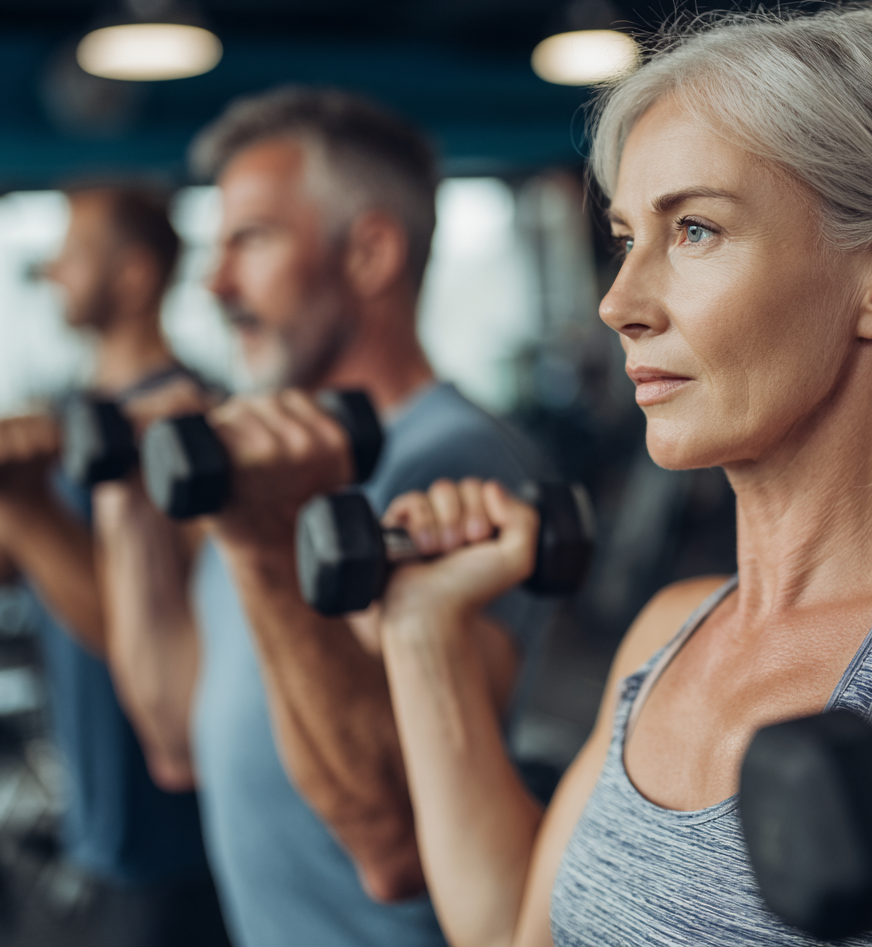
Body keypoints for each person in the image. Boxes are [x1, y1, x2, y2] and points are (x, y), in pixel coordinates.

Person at [369, 2, 872, 947]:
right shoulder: (667, 632)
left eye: (697, 231)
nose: (618, 302)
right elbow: (515, 932)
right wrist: (423, 632)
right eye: (628, 237)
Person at [95, 87, 552, 947]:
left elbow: (395, 840)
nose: (216, 282)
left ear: (370, 253)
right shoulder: (268, 468)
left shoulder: (451, 463)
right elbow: (176, 741)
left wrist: (264, 542)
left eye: (252, 239)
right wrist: (128, 497)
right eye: (217, 246)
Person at [0, 186, 230, 945]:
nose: (52, 272)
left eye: (73, 255)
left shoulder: (191, 426)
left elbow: (144, 631)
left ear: (133, 275)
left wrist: (24, 508)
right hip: (97, 807)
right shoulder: (67, 417)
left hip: (172, 825)